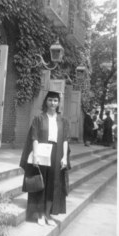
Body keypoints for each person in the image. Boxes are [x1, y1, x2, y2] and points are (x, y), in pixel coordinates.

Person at [19, 91, 71, 226]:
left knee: (54, 184)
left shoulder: (63, 121)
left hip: (57, 152)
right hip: (42, 153)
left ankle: (48, 214)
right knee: (41, 183)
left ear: (58, 103)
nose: (52, 103)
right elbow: (34, 137)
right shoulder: (39, 118)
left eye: (55, 101)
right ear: (46, 102)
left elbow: (65, 140)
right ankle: (40, 214)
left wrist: (64, 157)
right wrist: (35, 155)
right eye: (50, 100)